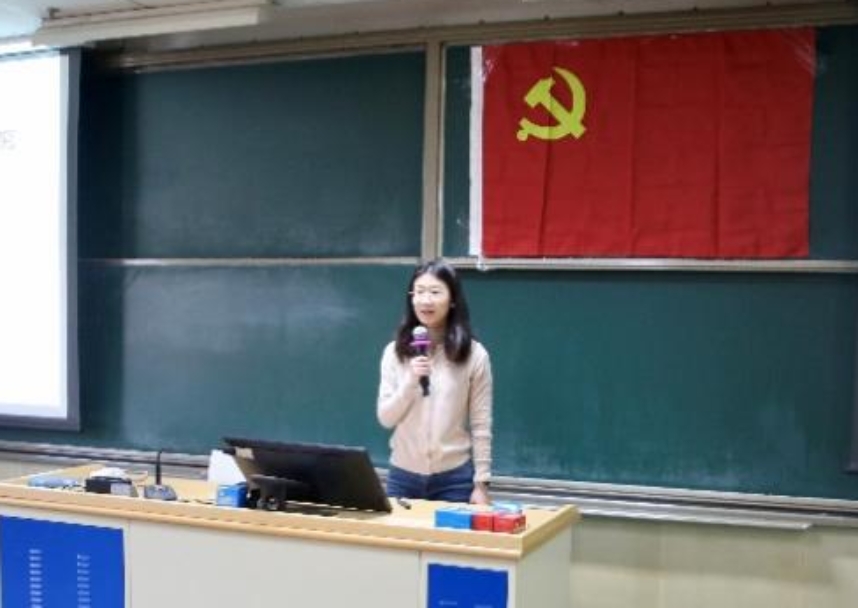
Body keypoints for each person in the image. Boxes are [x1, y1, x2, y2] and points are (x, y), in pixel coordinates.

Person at [377, 259, 493, 505]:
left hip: (454, 480)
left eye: (435, 292)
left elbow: (481, 423)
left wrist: (481, 483)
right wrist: (410, 381)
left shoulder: (474, 355)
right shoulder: (394, 352)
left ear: (452, 299)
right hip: (403, 478)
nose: (425, 300)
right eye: (419, 292)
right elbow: (386, 418)